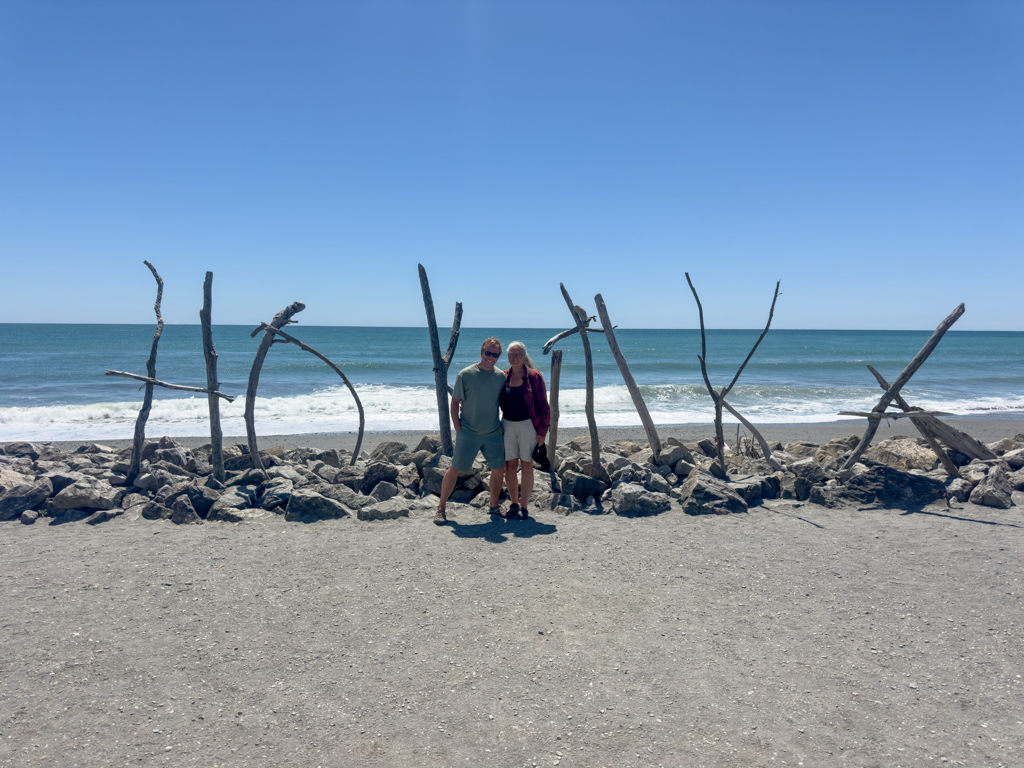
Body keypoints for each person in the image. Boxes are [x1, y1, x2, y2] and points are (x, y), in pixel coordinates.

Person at [434, 337, 507, 524]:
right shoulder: (465, 374)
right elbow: (455, 403)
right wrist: (459, 429)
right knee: (454, 469)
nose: (490, 357)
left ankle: (494, 506)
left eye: (495, 354)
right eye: (487, 353)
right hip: (469, 432)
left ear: (499, 356)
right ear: (481, 351)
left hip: (493, 432)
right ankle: (441, 508)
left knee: (499, 469)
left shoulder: (501, 377)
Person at [500, 341, 550, 521]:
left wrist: (542, 433)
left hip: (529, 425)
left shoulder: (534, 377)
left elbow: (544, 407)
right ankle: (514, 504)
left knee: (527, 465)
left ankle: (524, 507)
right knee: (510, 466)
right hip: (507, 424)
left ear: (524, 356)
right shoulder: (503, 376)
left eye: (518, 354)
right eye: (511, 354)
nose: (515, 358)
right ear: (508, 357)